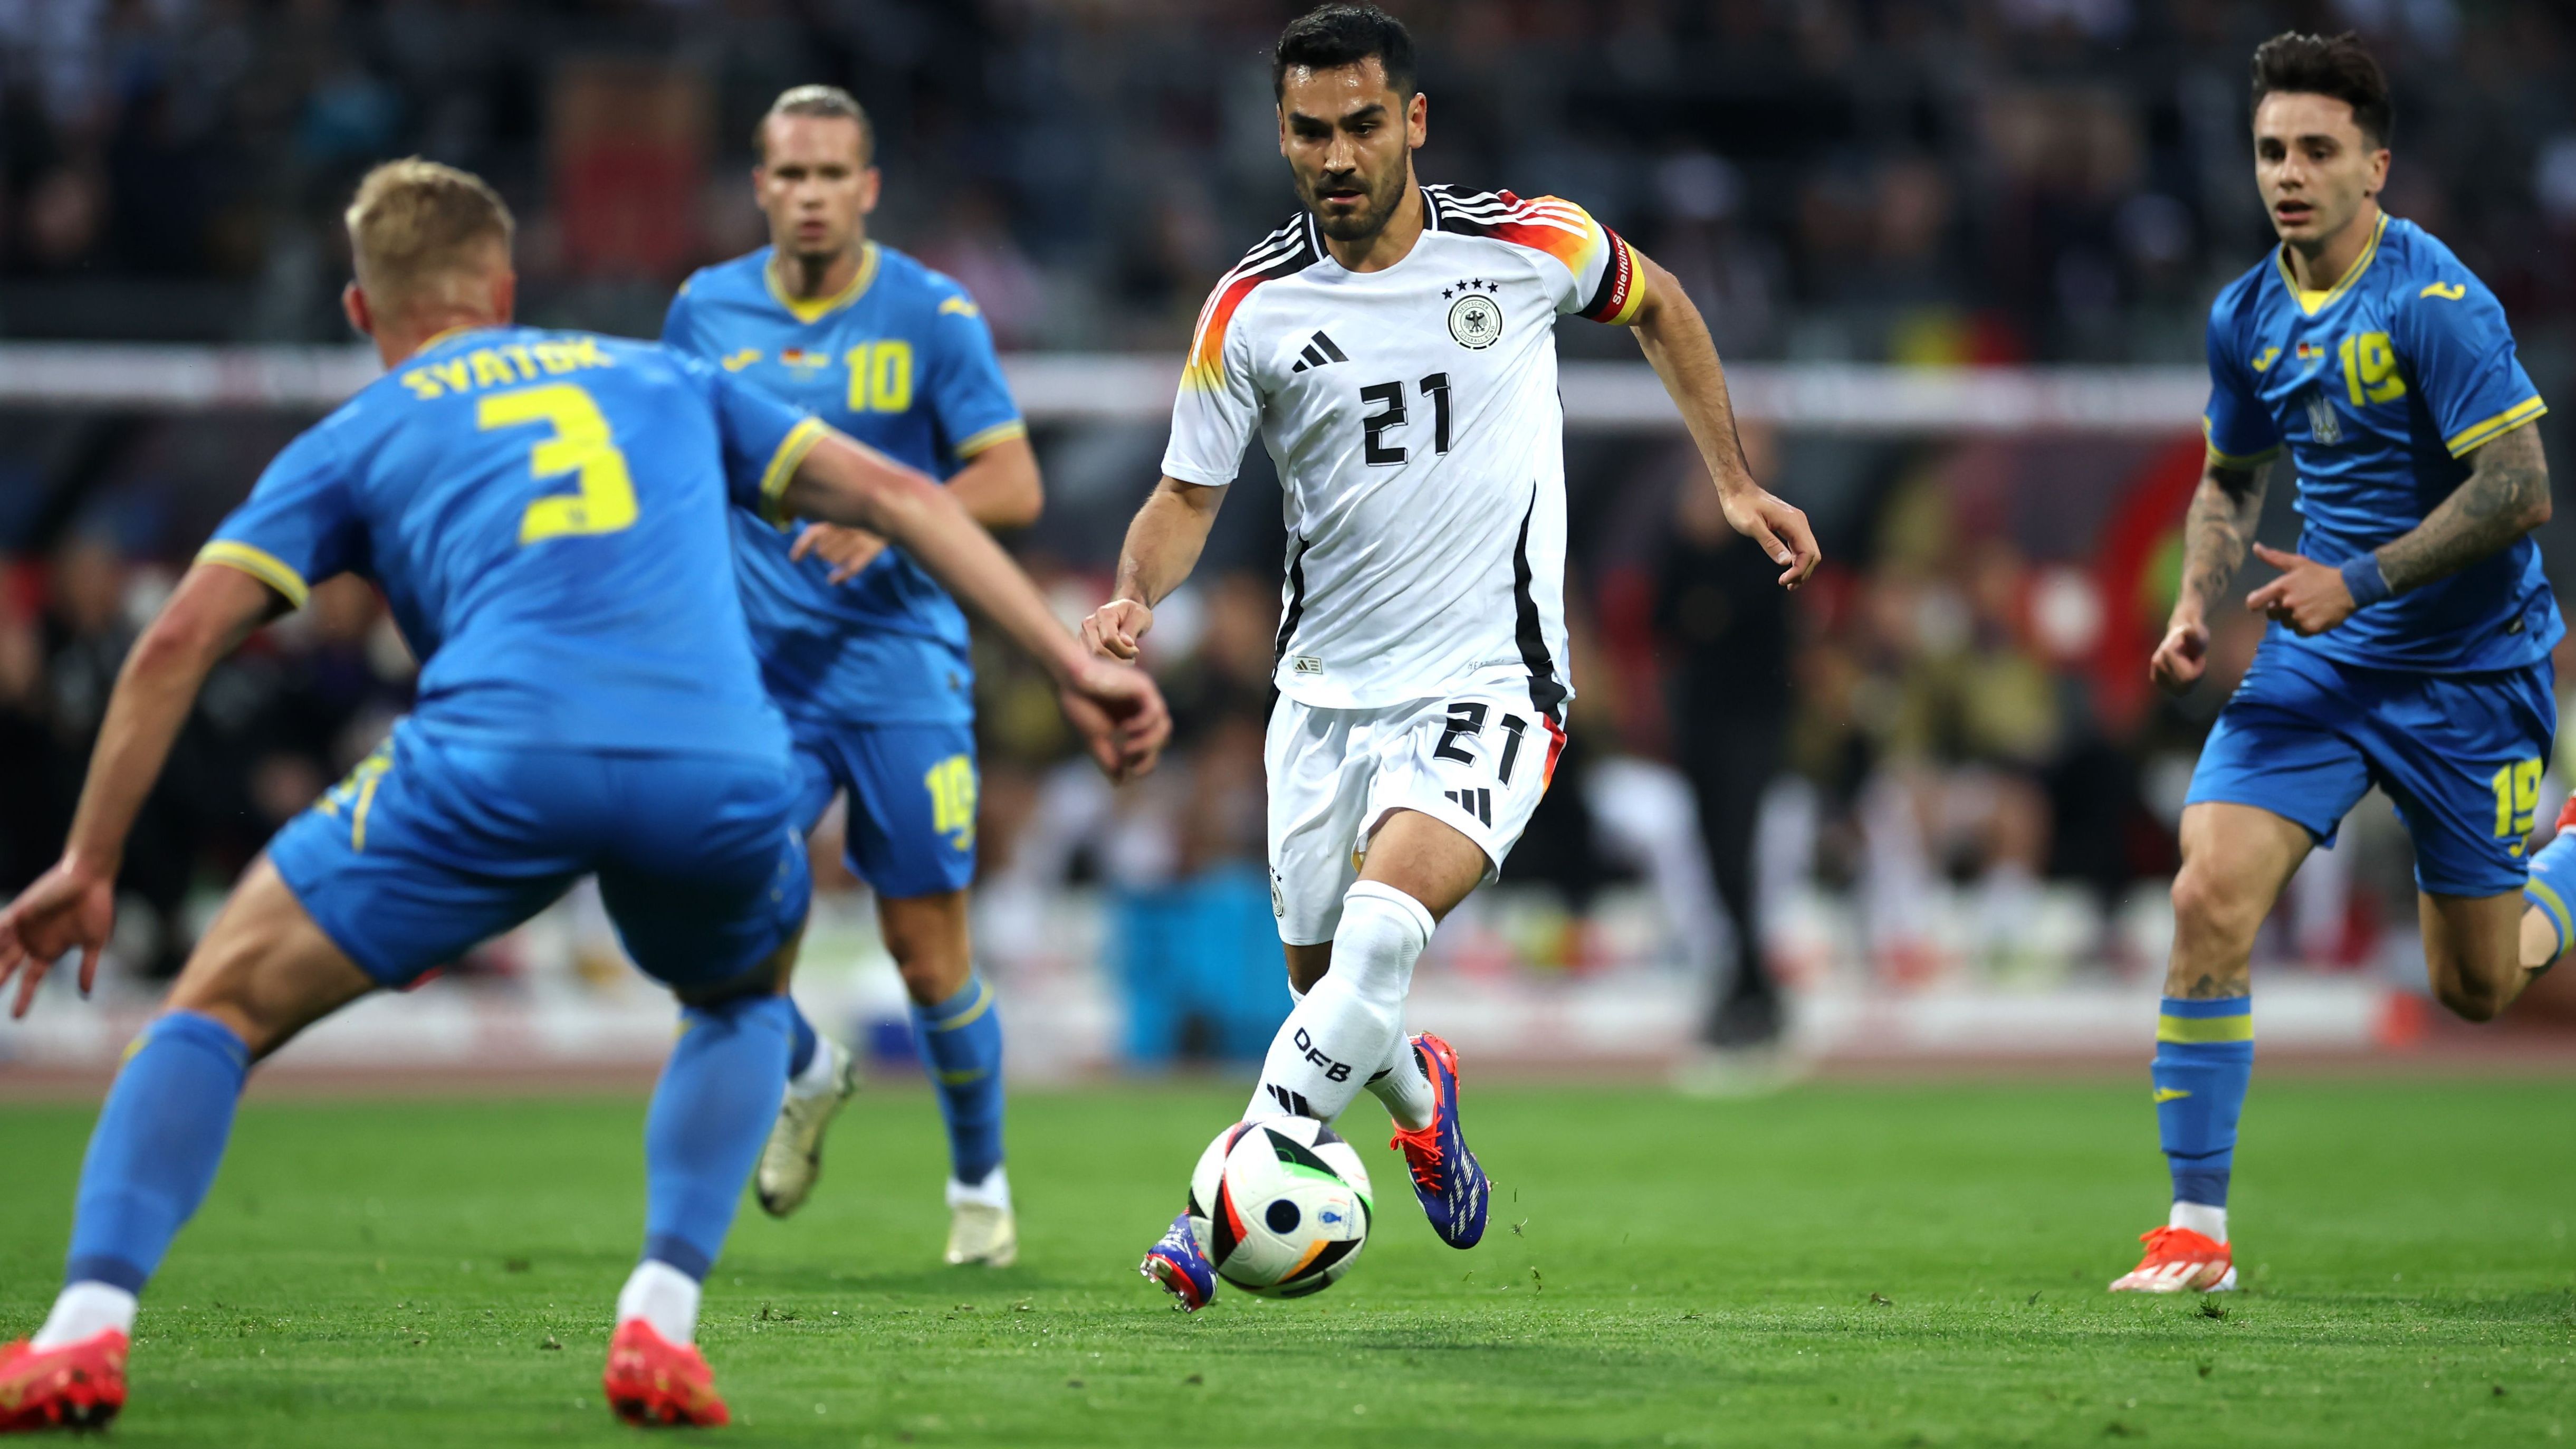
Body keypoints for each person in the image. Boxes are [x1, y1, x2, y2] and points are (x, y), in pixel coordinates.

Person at [0, 158, 1165, 1431]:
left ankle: (83, 1334)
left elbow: (174, 642)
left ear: (358, 310)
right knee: (735, 1000)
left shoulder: (360, 428)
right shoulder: (660, 375)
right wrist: (1067, 662)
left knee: (213, 1006)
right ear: (503, 291)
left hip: (495, 759)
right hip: (717, 767)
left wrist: (89, 860)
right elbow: (899, 494)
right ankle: (660, 1323)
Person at [1080, 5, 1817, 1311]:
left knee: (1371, 947)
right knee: (1328, 990)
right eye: (1310, 130)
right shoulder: (1247, 307)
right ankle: (1420, 1091)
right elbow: (1185, 497)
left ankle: (1211, 1212)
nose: (1338, 154)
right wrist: (1134, 591)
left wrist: (1732, 481)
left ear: (1413, 121)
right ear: (1283, 137)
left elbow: (1664, 304)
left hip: (1494, 681)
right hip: (1321, 702)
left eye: (1364, 124)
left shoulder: (1528, 241)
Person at [2124, 32, 2562, 1295]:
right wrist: (2198, 604)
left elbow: (2522, 489)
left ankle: (2571, 853)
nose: (2290, 174)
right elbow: (2230, 475)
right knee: (2206, 897)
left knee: (2475, 989)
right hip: (2320, 667)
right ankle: (2194, 1230)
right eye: (2272, 150)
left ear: (2378, 165)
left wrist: (2355, 576)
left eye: (2318, 150)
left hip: (2471, 674)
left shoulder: (2438, 302)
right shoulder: (2246, 312)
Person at [662, 84, 1039, 1266]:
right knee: (706, 920)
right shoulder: (702, 313)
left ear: (867, 187)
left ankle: (980, 1185)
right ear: (761, 186)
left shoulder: (931, 311)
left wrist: (899, 515)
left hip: (899, 671)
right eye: (791, 175)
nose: (813, 195)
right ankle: (807, 1067)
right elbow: (677, 472)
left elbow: (1015, 483)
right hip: (757, 678)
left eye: (834, 175)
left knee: (928, 957)